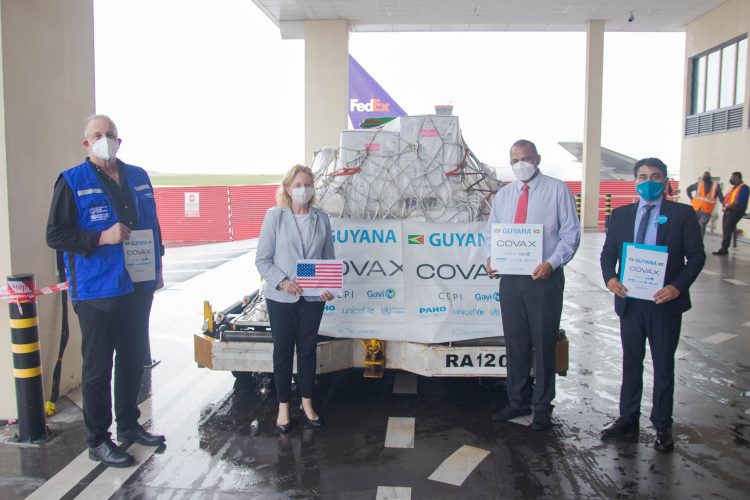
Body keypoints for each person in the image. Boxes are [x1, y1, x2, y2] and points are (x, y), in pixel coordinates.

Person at [46, 115, 166, 467]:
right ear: (86, 144)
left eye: (110, 134)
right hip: (98, 291)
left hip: (138, 284)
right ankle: (98, 439)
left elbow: (153, 225)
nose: (104, 139)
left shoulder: (139, 177)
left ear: (119, 140)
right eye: (97, 135)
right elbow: (55, 235)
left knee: (132, 361)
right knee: (98, 368)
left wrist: (157, 268)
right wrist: (101, 237)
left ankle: (129, 425)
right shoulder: (71, 181)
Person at [600, 157, 705, 453]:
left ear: (666, 181)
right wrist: (610, 279)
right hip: (630, 303)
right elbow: (608, 254)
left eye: (656, 177)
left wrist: (676, 286)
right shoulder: (620, 215)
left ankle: (662, 424)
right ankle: (628, 419)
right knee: (631, 363)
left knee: (663, 365)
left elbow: (696, 257)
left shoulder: (682, 214)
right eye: (643, 176)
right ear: (634, 180)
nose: (649, 182)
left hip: (664, 304)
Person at [485, 139, 580, 431]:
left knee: (543, 342)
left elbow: (570, 234)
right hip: (511, 279)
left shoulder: (557, 189)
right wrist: (490, 258)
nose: (520, 165)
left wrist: (551, 262)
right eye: (514, 160)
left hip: (544, 278)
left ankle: (542, 406)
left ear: (537, 159)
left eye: (525, 158)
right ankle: (517, 400)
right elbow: (491, 232)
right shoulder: (504, 195)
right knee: (515, 342)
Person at [255, 164, 335, 434]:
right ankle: (283, 407)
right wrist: (282, 281)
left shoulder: (321, 218)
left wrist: (326, 285)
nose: (303, 189)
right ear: (288, 188)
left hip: (313, 299)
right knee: (282, 353)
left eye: (307, 184)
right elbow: (262, 260)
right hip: (281, 298)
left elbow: (328, 258)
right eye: (297, 185)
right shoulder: (274, 217)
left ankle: (308, 403)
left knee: (308, 351)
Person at [712, 171, 749, 255]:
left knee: (727, 228)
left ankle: (724, 249)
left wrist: (726, 207)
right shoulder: (733, 188)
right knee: (726, 229)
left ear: (736, 178)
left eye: (731, 177)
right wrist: (724, 206)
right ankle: (724, 248)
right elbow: (726, 199)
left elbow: (738, 201)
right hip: (728, 211)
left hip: (735, 211)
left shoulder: (744, 188)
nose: (730, 179)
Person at [686, 171, 724, 238]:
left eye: (707, 176)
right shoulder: (699, 184)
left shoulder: (716, 186)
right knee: (693, 225)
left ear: (710, 177)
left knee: (702, 225)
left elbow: (721, 197)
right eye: (704, 176)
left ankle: (699, 242)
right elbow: (688, 189)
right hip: (696, 208)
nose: (705, 177)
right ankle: (692, 240)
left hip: (706, 211)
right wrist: (691, 199)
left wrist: (724, 205)